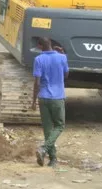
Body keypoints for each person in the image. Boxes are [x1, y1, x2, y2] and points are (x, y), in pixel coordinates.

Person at [31, 37, 69, 168]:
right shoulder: (62, 58)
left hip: (43, 97)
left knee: (48, 129)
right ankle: (44, 149)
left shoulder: (38, 59)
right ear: (51, 44)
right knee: (59, 125)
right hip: (57, 98)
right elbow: (66, 75)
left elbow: (37, 83)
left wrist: (33, 100)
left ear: (40, 46)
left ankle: (53, 159)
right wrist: (63, 55)